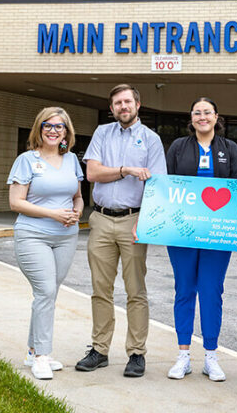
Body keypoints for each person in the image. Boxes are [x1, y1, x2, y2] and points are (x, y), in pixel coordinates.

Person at [77, 84, 166, 378]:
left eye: (127, 101)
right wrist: (125, 170)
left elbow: (157, 186)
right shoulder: (102, 133)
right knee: (100, 289)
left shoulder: (151, 140)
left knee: (135, 290)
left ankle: (136, 353)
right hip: (101, 220)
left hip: (134, 220)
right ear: (111, 107)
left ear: (137, 105)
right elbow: (92, 173)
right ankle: (99, 350)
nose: (122, 106)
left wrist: (146, 222)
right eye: (117, 103)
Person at [163, 97, 237, 382]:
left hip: (217, 235)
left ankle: (211, 356)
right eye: (197, 112)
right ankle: (183, 356)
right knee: (184, 290)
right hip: (182, 233)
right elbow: (167, 188)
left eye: (207, 112)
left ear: (216, 116)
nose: (202, 117)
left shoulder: (230, 149)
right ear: (192, 118)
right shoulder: (178, 147)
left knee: (211, 292)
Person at [7, 106, 84, 381]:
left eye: (59, 126)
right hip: (32, 235)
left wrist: (77, 211)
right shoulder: (27, 160)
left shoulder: (72, 159)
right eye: (48, 126)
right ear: (39, 129)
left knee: (49, 293)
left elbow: (77, 196)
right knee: (45, 291)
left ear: (66, 132)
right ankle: (42, 356)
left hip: (66, 236)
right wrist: (53, 213)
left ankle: (32, 350)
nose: (53, 131)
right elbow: (16, 202)